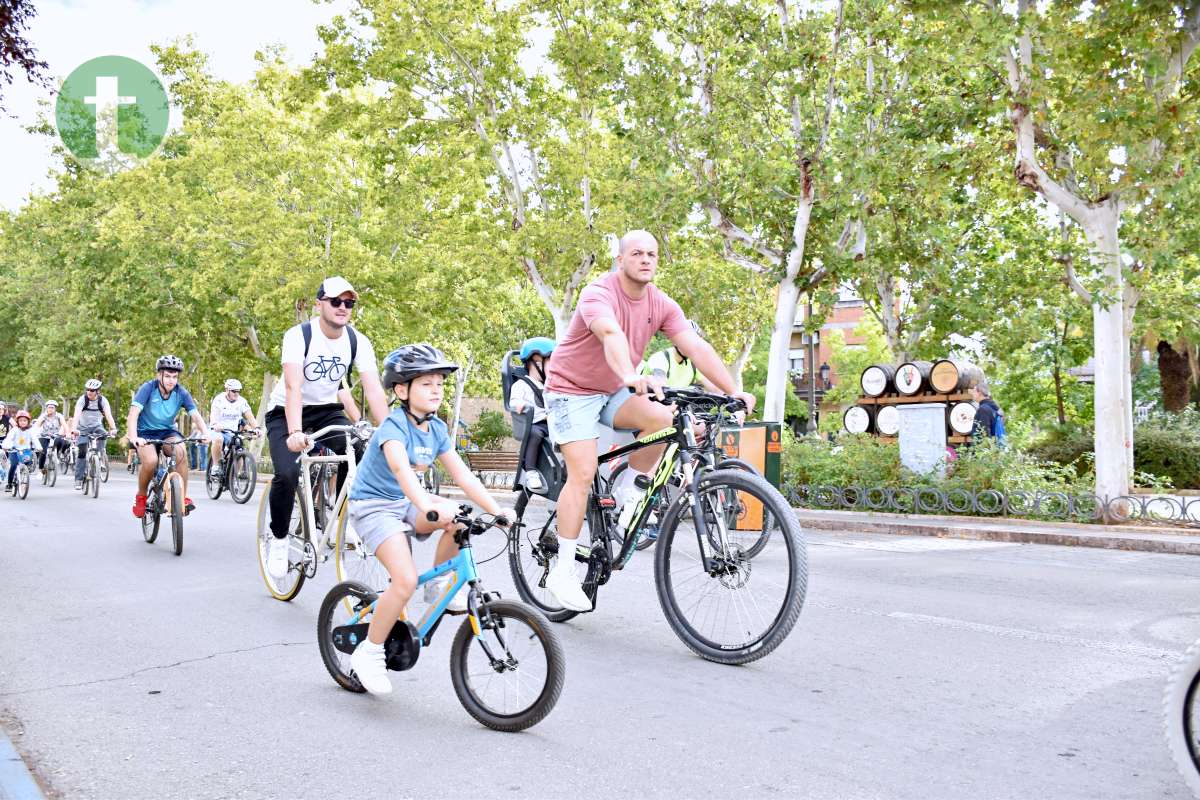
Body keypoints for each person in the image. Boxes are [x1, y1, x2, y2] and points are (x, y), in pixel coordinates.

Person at [540, 229, 757, 610]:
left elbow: (695, 346)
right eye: (637, 253)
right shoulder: (599, 293)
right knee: (584, 472)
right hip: (570, 390)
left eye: (652, 254)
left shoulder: (660, 303)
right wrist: (628, 374)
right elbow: (609, 333)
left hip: (612, 390)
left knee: (665, 418)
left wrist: (732, 391)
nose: (645, 259)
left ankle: (629, 493)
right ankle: (562, 569)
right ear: (620, 260)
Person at [346, 344, 512, 695]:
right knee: (404, 581)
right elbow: (401, 471)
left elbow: (464, 477)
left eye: (440, 383)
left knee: (463, 520)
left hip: (404, 501)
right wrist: (428, 507)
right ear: (402, 390)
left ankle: (437, 588)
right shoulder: (392, 428)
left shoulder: (436, 429)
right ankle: (369, 652)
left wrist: (497, 511)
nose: (437, 389)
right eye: (427, 384)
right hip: (373, 507)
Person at [264, 276, 389, 579]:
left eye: (349, 303)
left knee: (360, 452)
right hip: (286, 413)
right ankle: (279, 539)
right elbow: (294, 387)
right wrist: (294, 432)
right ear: (320, 303)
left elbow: (374, 390)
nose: (343, 307)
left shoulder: (358, 341)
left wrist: (388, 433)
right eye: (336, 301)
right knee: (287, 473)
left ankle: (339, 518)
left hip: (326, 412)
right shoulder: (298, 335)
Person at [126, 357, 210, 517]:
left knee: (180, 452)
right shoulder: (148, 388)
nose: (172, 380)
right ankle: (141, 497)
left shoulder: (181, 392)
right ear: (159, 376)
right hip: (145, 432)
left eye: (175, 377)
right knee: (150, 462)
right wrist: (134, 437)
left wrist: (205, 433)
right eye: (168, 376)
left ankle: (182, 498)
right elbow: (133, 414)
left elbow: (196, 416)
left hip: (167, 431)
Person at [509, 336, 554, 490]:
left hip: (552, 422)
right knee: (535, 434)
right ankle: (531, 472)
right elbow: (513, 402)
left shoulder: (549, 385)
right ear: (536, 362)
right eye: (550, 363)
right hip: (534, 423)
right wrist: (520, 405)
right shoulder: (521, 384)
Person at [639, 319, 718, 390]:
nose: (690, 345)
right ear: (675, 340)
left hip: (674, 404)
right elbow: (660, 380)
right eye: (686, 340)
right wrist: (660, 383)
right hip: (645, 402)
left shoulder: (694, 364)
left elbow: (713, 386)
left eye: (694, 341)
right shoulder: (660, 358)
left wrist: (728, 396)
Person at [71, 379, 119, 491]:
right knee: (82, 451)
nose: (89, 392)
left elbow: (108, 415)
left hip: (97, 427)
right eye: (87, 390)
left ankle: (100, 456)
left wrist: (113, 429)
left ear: (98, 391)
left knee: (103, 435)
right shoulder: (82, 400)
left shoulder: (103, 401)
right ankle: (78, 479)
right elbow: (76, 415)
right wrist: (74, 429)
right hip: (82, 428)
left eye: (92, 390)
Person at [209, 378, 257, 466]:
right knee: (218, 439)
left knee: (239, 450)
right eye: (234, 391)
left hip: (232, 432)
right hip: (218, 429)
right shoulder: (219, 399)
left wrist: (257, 428)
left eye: (238, 391)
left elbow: (250, 416)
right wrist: (215, 424)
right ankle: (216, 466)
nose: (236, 394)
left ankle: (234, 478)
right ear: (227, 390)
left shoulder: (242, 401)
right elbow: (214, 415)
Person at [3, 410, 41, 493]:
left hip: (25, 450)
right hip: (14, 450)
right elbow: (8, 438)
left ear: (28, 421)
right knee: (13, 465)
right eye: (20, 420)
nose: (23, 422)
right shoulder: (14, 430)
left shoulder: (31, 430)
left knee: (27, 462)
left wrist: (39, 447)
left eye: (25, 420)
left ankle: (24, 473)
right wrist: (6, 446)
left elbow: (35, 439)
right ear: (17, 421)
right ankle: (9, 484)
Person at [33, 400, 71, 473]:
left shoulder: (59, 416)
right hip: (44, 436)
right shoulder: (44, 416)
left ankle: (56, 455)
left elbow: (65, 425)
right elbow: (37, 424)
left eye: (52, 407)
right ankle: (41, 469)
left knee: (61, 441)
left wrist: (68, 433)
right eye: (49, 407)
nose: (50, 409)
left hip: (55, 435)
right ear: (46, 408)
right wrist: (34, 432)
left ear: (55, 409)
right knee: (43, 451)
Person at [970, 381, 1006, 445]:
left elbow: (985, 434)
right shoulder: (995, 409)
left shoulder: (983, 409)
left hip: (985, 451)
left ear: (979, 393)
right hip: (996, 447)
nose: (972, 394)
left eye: (974, 391)